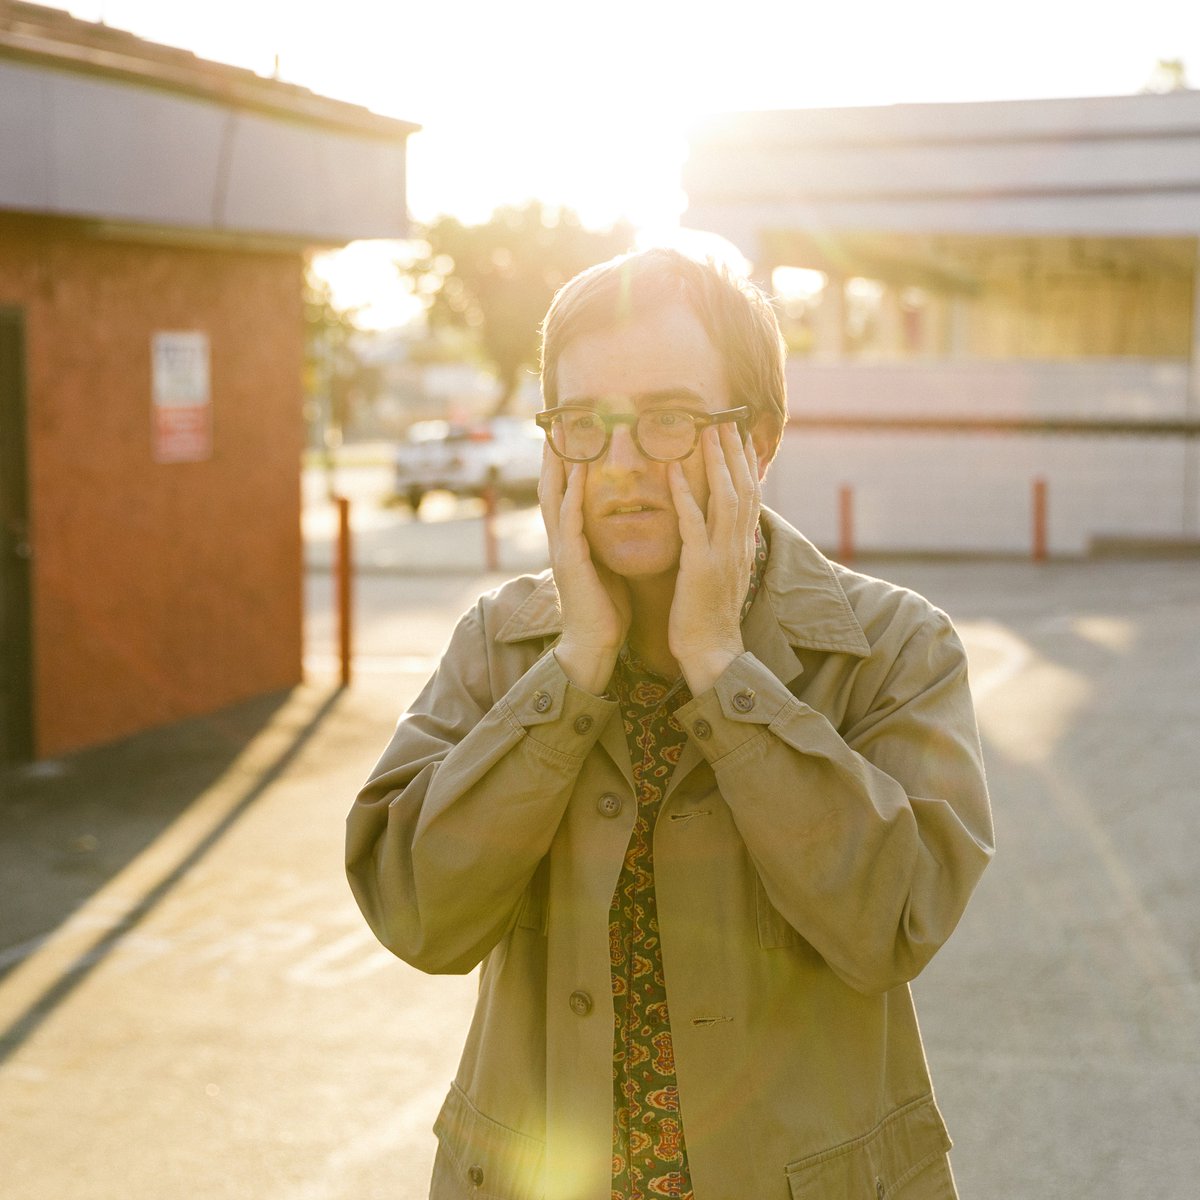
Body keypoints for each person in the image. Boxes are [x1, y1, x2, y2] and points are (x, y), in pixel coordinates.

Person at [346, 247, 994, 1199]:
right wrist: (572, 671)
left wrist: (722, 669)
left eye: (670, 420)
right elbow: (414, 913)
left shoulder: (895, 648)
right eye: (583, 424)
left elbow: (893, 923)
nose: (620, 466)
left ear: (761, 438)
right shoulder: (503, 645)